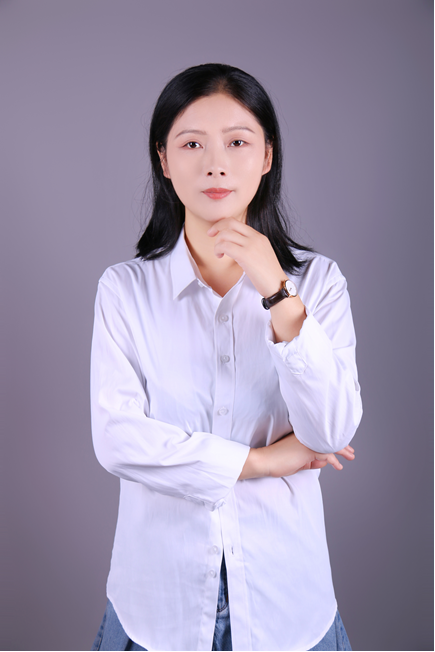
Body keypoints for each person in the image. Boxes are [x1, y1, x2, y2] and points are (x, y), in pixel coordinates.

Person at [90, 63, 362, 652]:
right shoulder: (124, 290)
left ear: (267, 156)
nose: (216, 164)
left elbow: (331, 431)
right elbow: (117, 440)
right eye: (192, 144)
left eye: (237, 142)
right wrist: (264, 461)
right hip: (156, 606)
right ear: (164, 160)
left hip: (288, 604)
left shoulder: (319, 282)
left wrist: (278, 293)